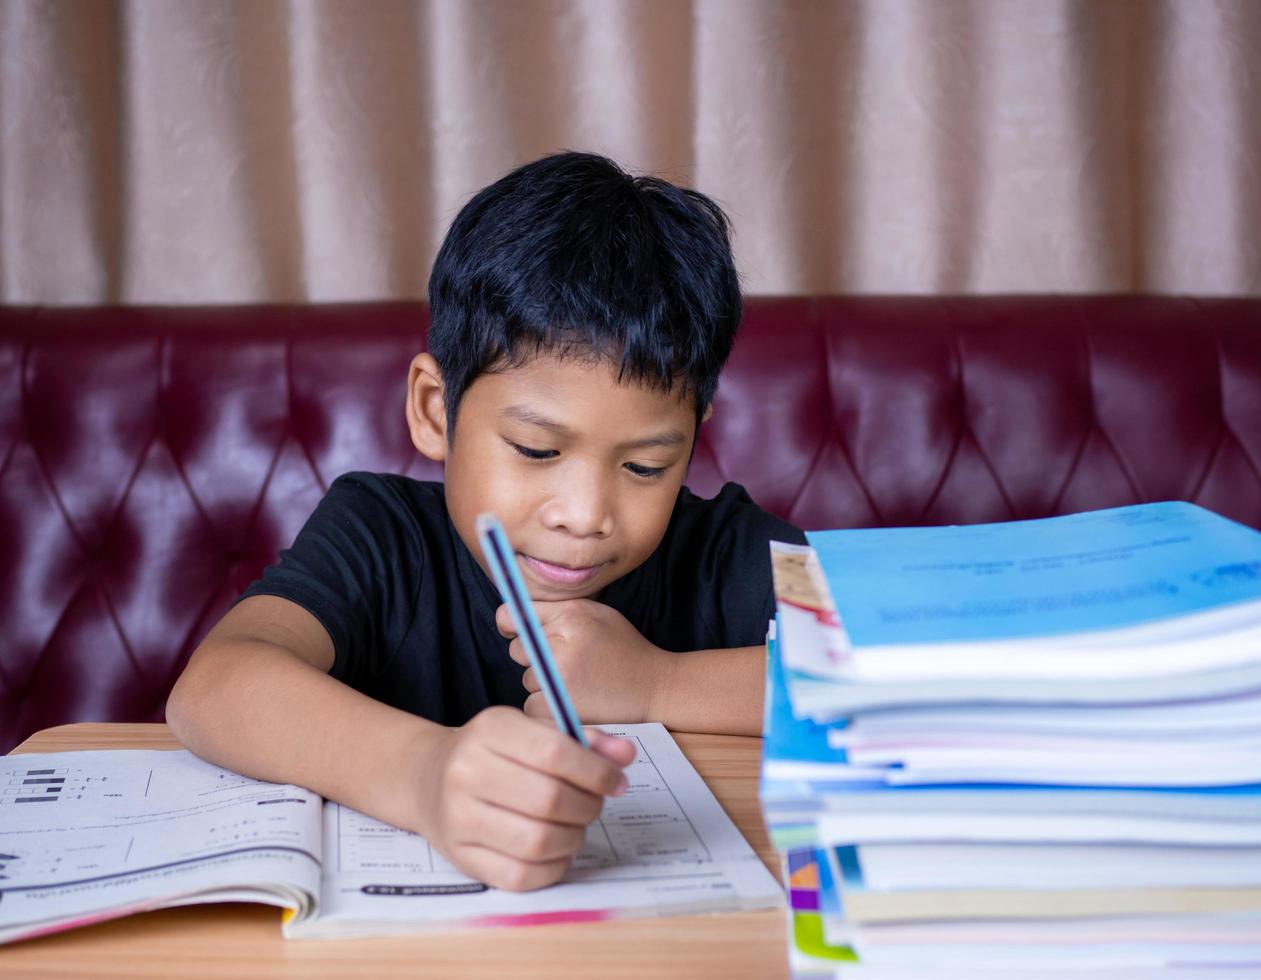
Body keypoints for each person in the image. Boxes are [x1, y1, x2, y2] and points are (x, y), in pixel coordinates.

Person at [166, 151, 806, 892]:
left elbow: (909, 677)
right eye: (536, 449)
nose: (584, 515)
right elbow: (216, 687)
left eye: (644, 467)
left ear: (694, 435)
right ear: (436, 411)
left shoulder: (721, 549)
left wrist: (657, 684)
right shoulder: (381, 533)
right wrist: (425, 775)